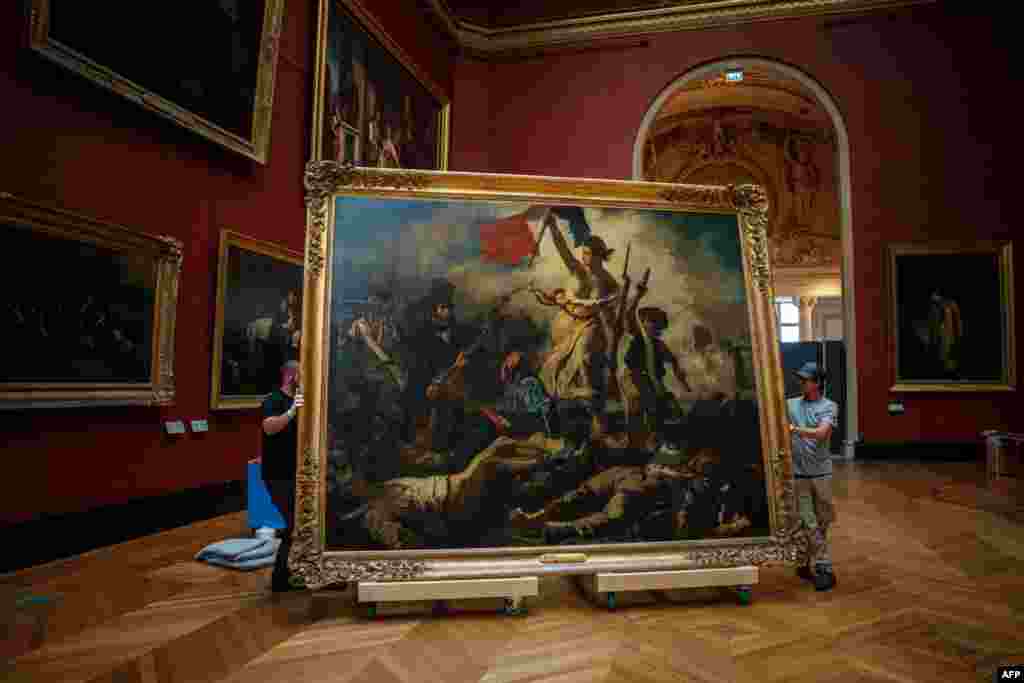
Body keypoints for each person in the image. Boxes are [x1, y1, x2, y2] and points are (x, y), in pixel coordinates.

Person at [786, 361, 838, 591]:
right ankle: (824, 566)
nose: (801, 383)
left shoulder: (829, 407)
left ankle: (804, 561)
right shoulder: (790, 404)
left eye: (806, 379)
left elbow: (821, 433)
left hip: (822, 473)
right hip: (799, 474)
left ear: (817, 383)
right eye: (801, 379)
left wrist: (793, 429)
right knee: (809, 521)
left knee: (823, 520)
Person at [261, 360, 305, 592]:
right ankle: (280, 579)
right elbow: (269, 427)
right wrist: (291, 412)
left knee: (299, 525)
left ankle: (295, 574)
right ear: (290, 375)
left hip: (298, 473)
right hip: (278, 474)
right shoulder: (273, 400)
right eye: (302, 372)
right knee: (293, 526)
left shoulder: (301, 399)